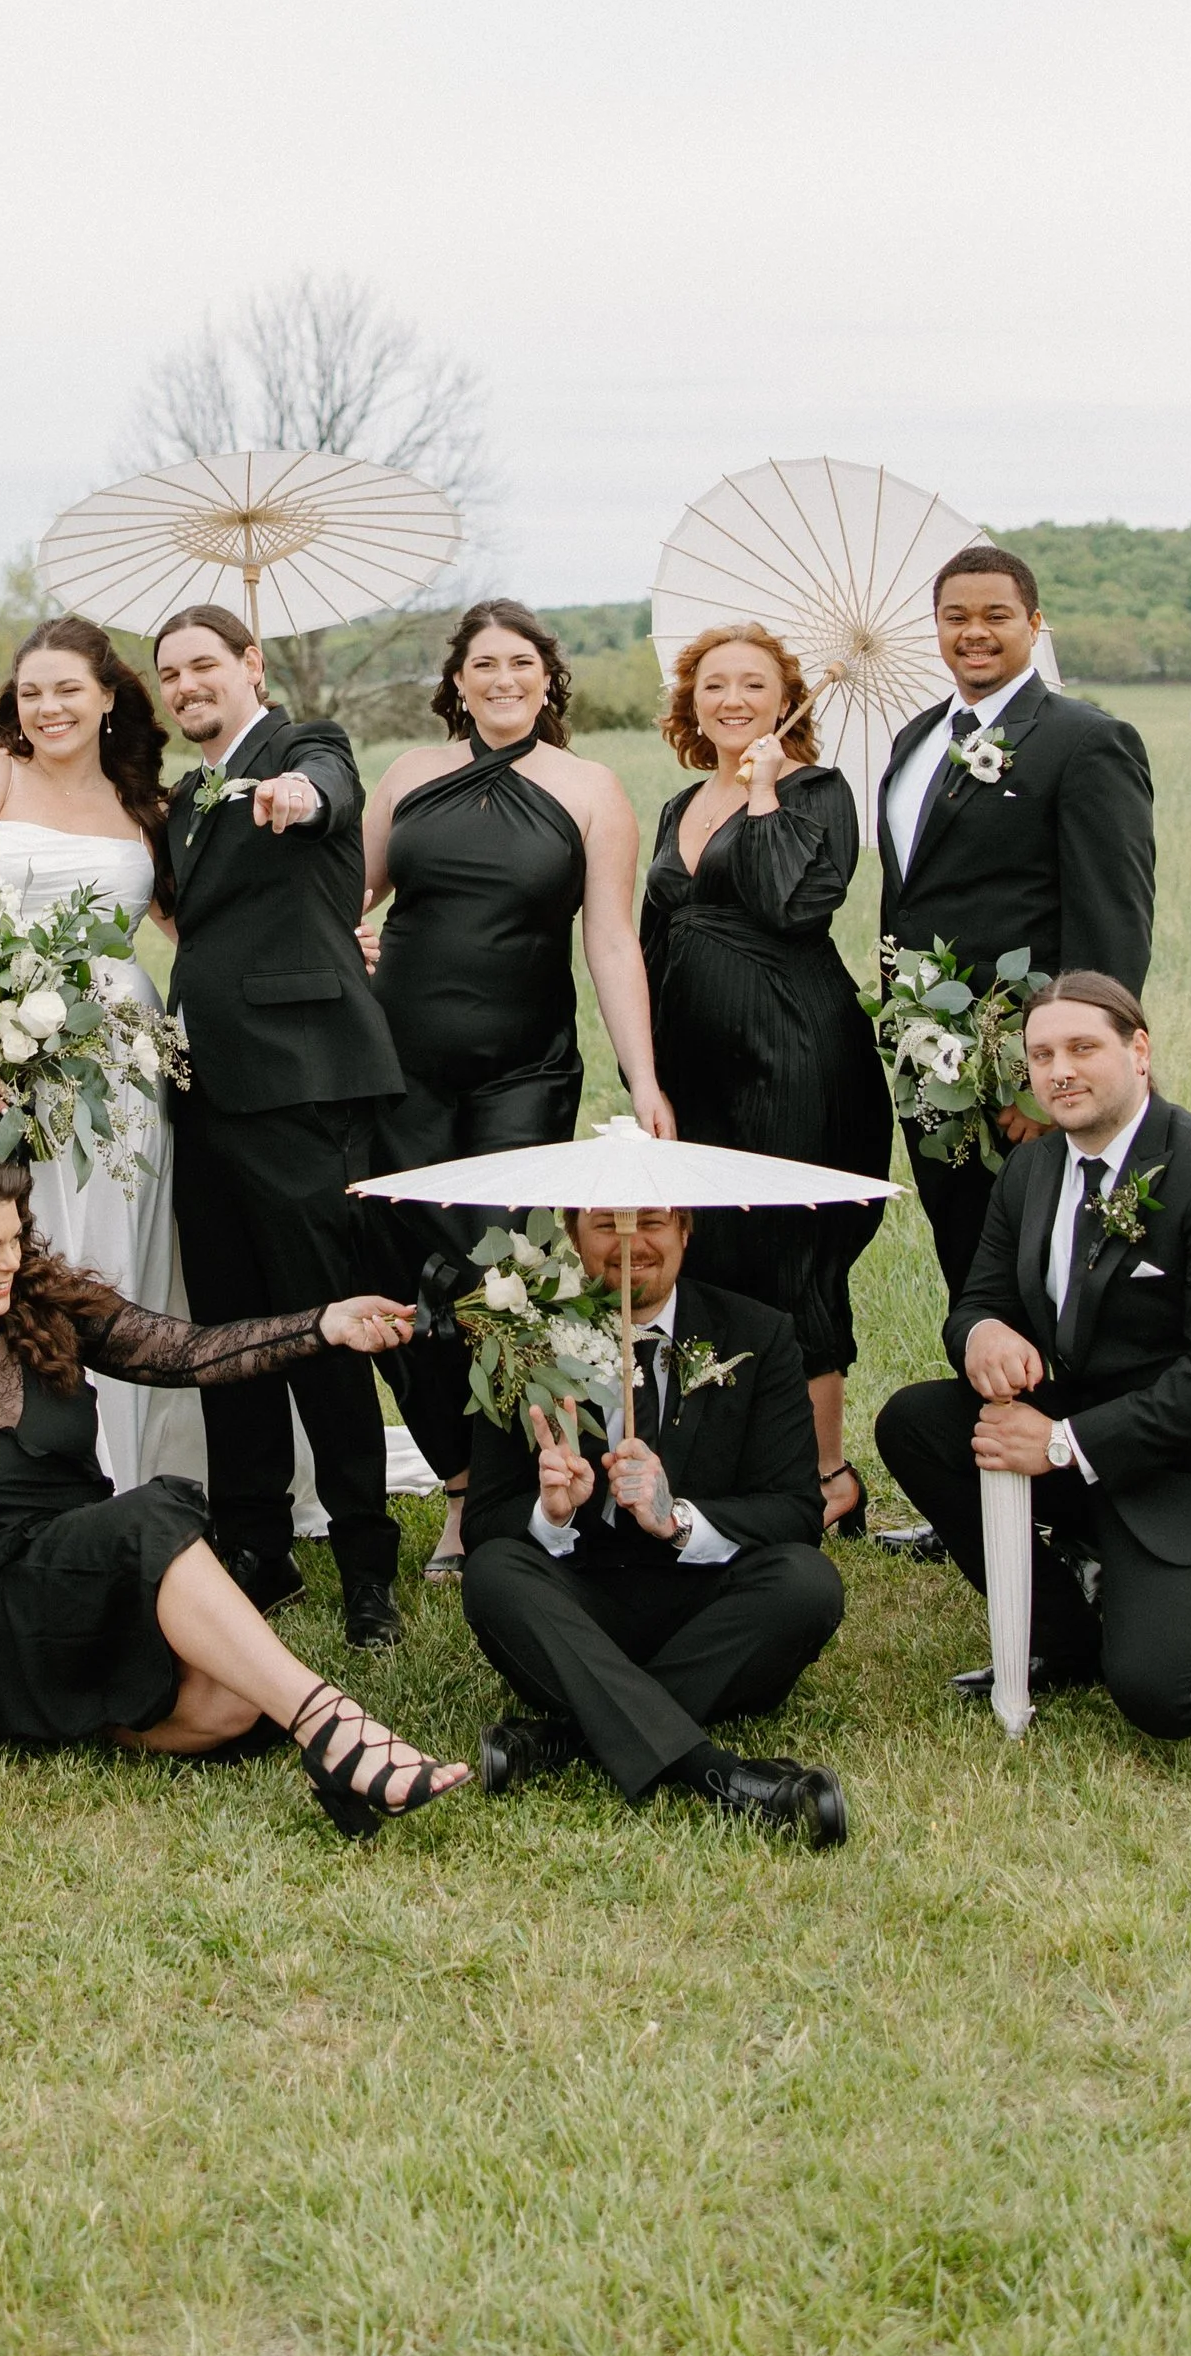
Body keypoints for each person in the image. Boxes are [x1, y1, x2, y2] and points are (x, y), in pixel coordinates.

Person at [0, 1150, 469, 1838]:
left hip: (90, 1581)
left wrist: (322, 1325)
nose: (11, 1259)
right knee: (152, 1510)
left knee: (233, 1707)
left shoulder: (41, 1305)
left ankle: (78, 1718)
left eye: (14, 1236)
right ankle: (336, 1727)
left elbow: (185, 1352)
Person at [875, 976, 1191, 1739]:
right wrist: (982, 1336)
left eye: (1082, 1047)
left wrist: (1061, 1442)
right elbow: (976, 1303)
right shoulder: (1030, 1172)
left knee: (1168, 1695)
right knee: (917, 1422)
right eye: (1041, 1054)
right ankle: (1062, 1636)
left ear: (1139, 1050)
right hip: (1105, 1441)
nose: (1060, 1069)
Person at [360, 599, 673, 1580]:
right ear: (457, 680)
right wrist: (342, 942)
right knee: (399, 1276)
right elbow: (345, 897)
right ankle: (457, 1486)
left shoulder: (589, 789)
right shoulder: (407, 775)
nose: (502, 678)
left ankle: (527, 1482)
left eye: (520, 663)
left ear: (548, 679)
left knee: (499, 1281)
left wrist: (644, 1077)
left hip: (522, 1073)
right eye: (483, 663)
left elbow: (611, 942)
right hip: (394, 1073)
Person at [153, 603, 407, 1649]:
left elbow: (328, 791)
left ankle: (364, 1563)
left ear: (250, 664)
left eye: (203, 665)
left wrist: (298, 796)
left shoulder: (305, 749)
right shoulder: (180, 797)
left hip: (298, 1088)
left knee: (321, 1323)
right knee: (227, 1333)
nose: (184, 687)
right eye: (168, 675)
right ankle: (255, 1542)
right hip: (198, 1093)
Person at [460, 1205, 850, 1845]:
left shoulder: (760, 1333)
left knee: (807, 1584)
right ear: (571, 1232)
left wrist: (678, 1521)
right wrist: (549, 1514)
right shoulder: (519, 1338)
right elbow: (484, 1524)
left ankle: (570, 1735)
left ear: (686, 1230)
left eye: (651, 1222)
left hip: (707, 1611)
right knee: (495, 1574)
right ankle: (722, 1776)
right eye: (605, 1225)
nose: (629, 1244)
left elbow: (796, 1514)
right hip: (578, 1607)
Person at [0, 616, 194, 1488]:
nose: (48, 706)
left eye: (68, 688)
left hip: (117, 1066)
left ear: (108, 695)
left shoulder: (141, 802)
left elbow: (202, 928)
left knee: (106, 1257)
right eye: (31, 690)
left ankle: (120, 1468)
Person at [640, 625, 892, 1534]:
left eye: (753, 684)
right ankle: (739, 1458)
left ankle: (829, 1480)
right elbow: (652, 939)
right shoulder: (676, 807)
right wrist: (647, 1075)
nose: (733, 699)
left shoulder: (817, 792)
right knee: (715, 1252)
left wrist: (761, 786)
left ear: (786, 701)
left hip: (796, 1052)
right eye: (715, 684)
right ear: (691, 701)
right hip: (695, 1066)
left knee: (793, 1255)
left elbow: (795, 899)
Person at [878, 544, 1155, 1300]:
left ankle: (1061, 1419)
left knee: (1056, 1269)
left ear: (1034, 624)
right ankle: (989, 1408)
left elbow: (1114, 921)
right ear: (934, 626)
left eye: (997, 615)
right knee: (968, 1263)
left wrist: (1051, 1077)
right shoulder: (914, 741)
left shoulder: (1085, 739)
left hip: (1027, 1071)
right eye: (955, 616)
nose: (975, 631)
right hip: (930, 1068)